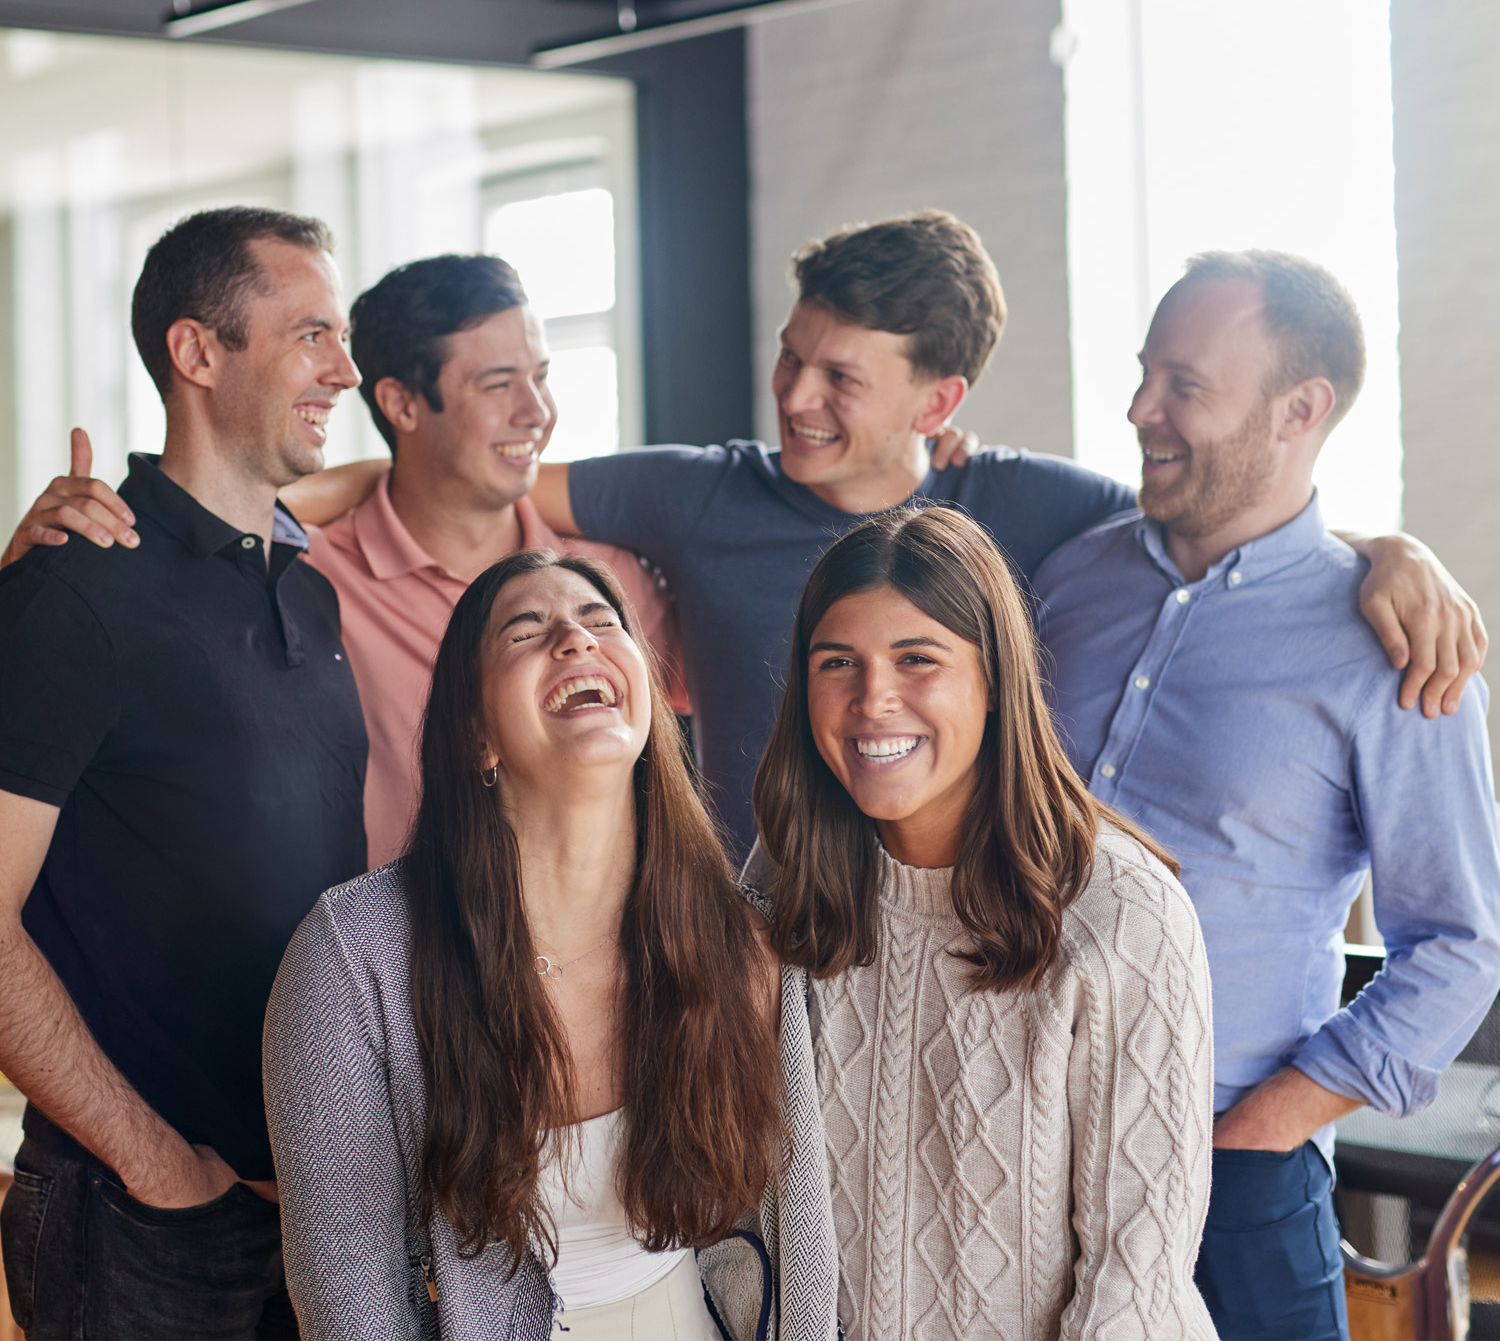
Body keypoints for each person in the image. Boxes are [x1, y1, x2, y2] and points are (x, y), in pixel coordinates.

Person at [259, 210, 1485, 859]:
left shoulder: (1034, 508)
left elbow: (1220, 522)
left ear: (938, 404)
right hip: (752, 957)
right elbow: (479, 471)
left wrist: (1385, 550)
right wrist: (278, 493)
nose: (793, 399)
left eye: (840, 380)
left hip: (960, 964)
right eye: (792, 358)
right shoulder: (697, 493)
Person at [1033, 250, 1500, 1341]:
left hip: (1230, 1166)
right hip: (1018, 1141)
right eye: (1146, 372)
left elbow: (1460, 944)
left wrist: (1261, 1130)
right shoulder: (1066, 578)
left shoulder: (1394, 647)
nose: (1141, 407)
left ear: (1301, 408)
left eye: (1184, 385)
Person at [262, 549, 839, 1341]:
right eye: (527, 631)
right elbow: (347, 1296)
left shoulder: (743, 940)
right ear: (477, 735)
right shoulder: (353, 958)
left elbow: (795, 1236)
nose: (576, 638)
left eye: (602, 621)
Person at [0, 208, 369, 1340]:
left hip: (310, 1203)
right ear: (197, 352)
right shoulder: (76, 588)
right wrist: (157, 1163)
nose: (345, 371)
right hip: (141, 1214)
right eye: (311, 335)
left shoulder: (306, 590)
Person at [7, 252, 684, 869]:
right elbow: (204, 522)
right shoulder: (305, 581)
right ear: (398, 403)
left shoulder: (615, 587)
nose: (536, 411)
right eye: (499, 384)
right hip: (382, 974)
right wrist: (34, 563)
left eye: (540, 377)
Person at [746, 504, 1216, 1340]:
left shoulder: (1122, 912)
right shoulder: (783, 878)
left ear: (995, 679)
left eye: (917, 659)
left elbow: (1133, 1278)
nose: (871, 699)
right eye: (837, 661)